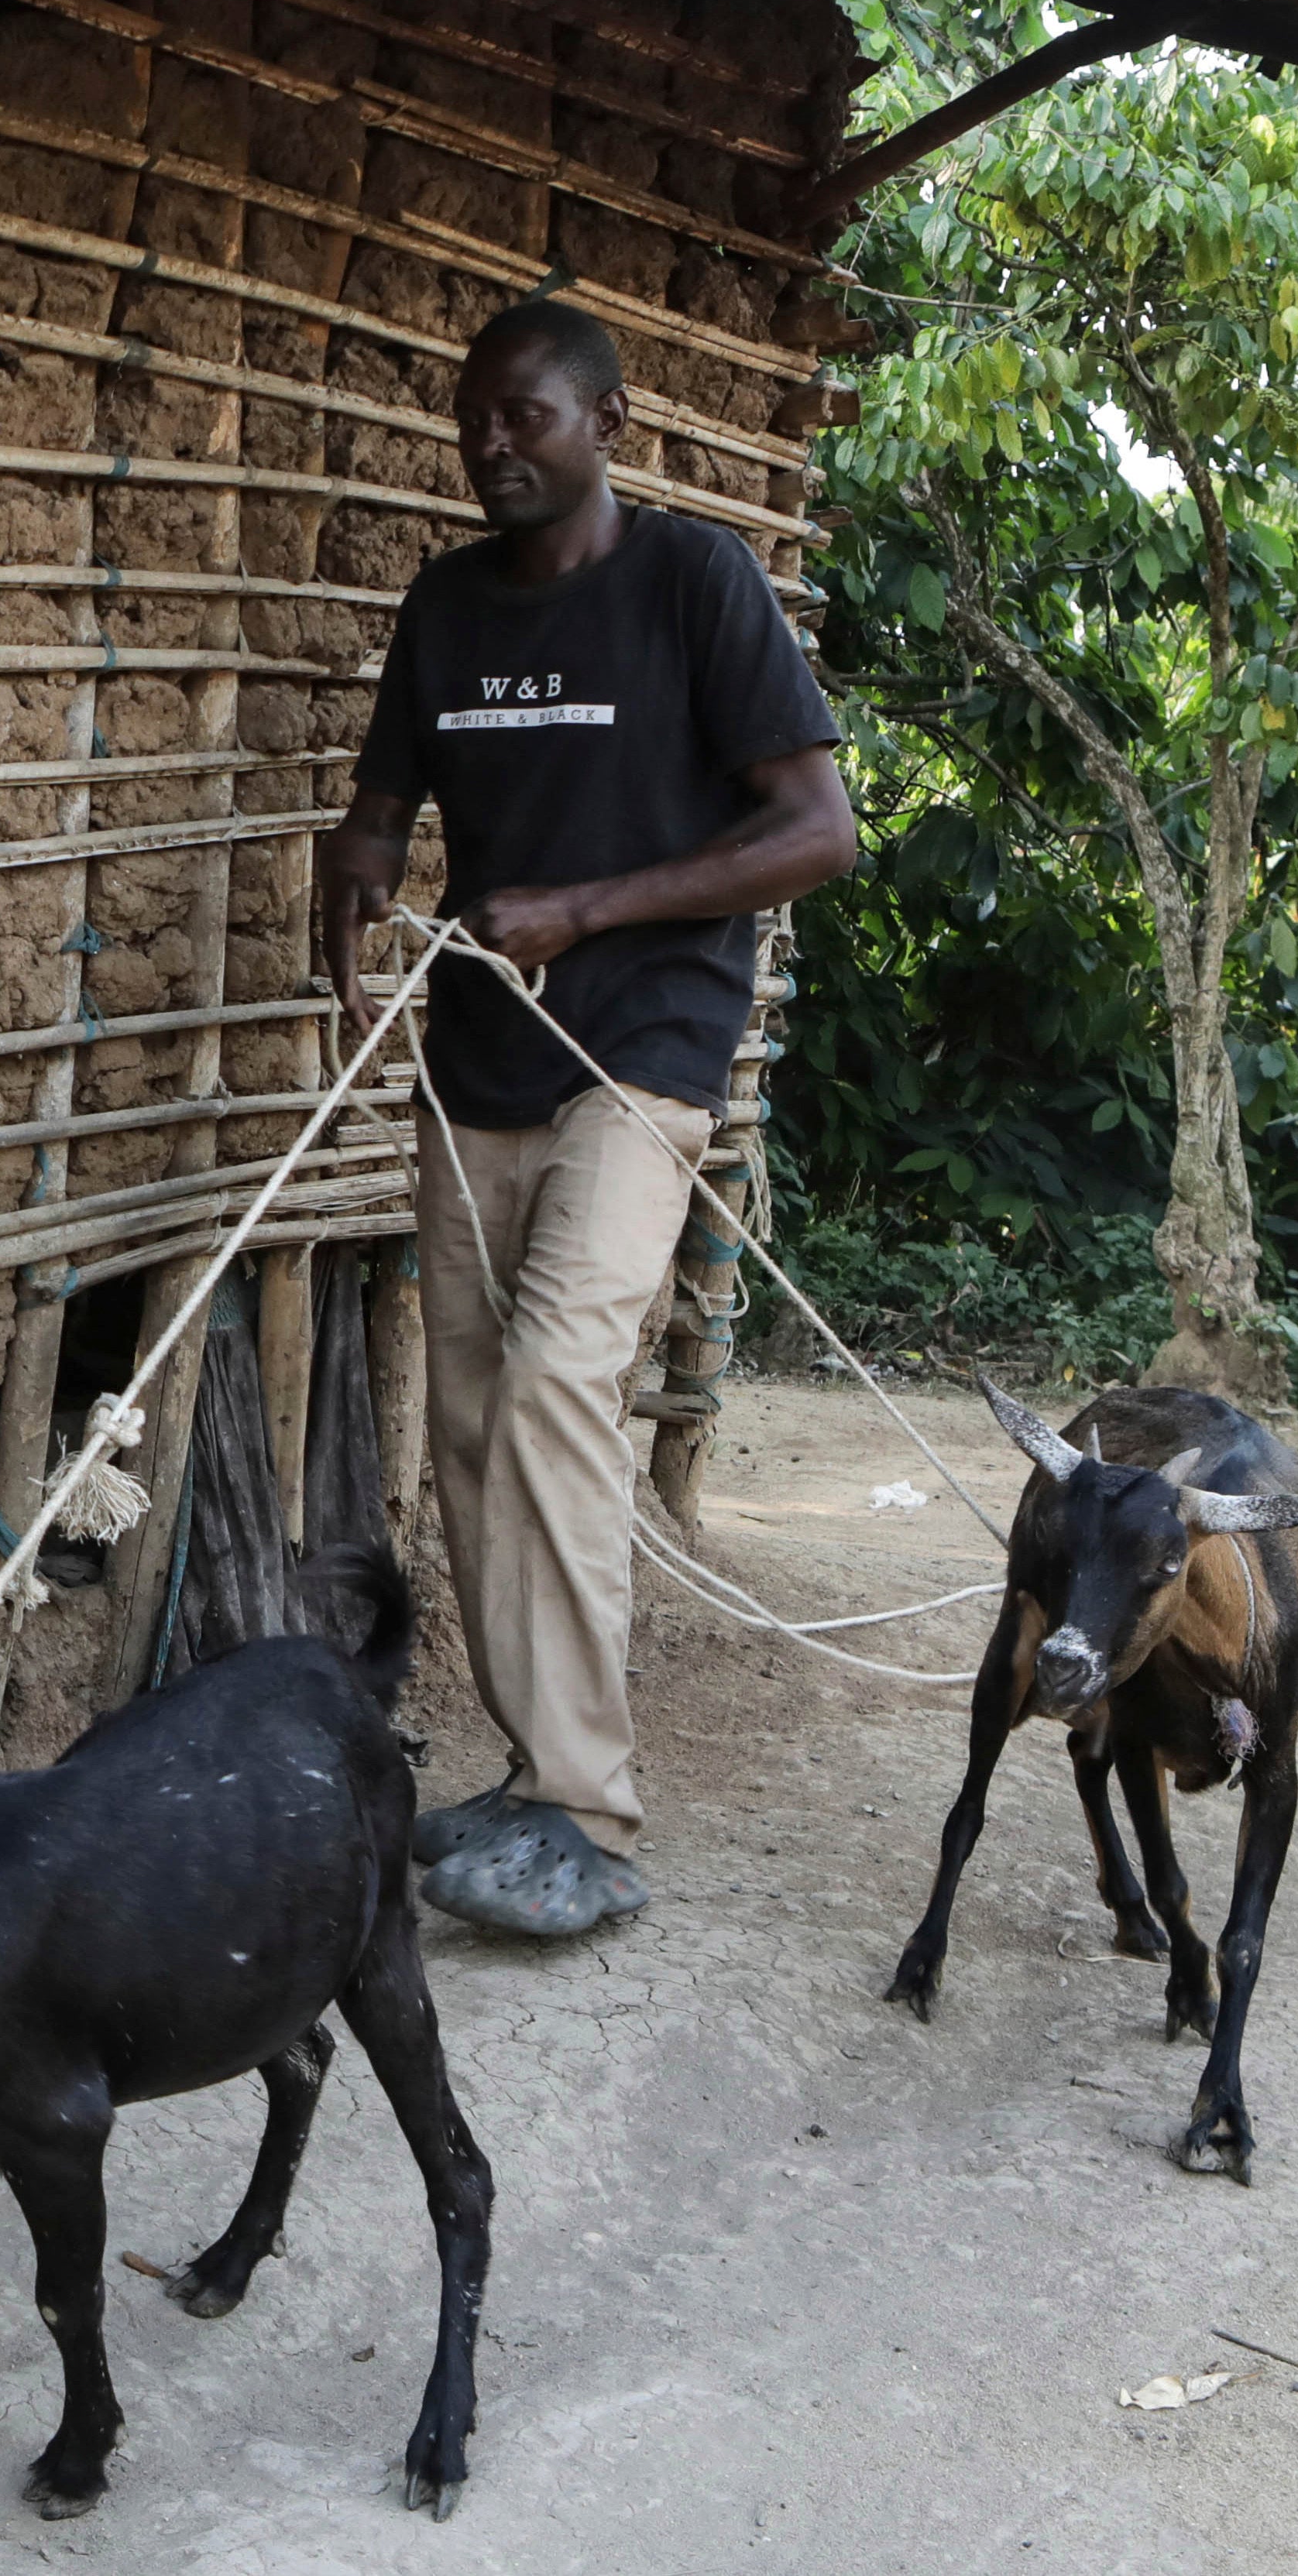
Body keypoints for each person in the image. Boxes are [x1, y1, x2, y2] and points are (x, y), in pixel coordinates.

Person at [317, 297, 857, 1938]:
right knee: (472, 1420)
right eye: (470, 419)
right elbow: (382, 803)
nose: (490, 443)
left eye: (524, 415)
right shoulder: (445, 605)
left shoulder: (693, 583)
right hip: (474, 1057)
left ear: (607, 421)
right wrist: (352, 876)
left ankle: (585, 1804)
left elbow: (817, 831)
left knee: (557, 1381)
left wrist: (588, 907)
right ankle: (529, 1766)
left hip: (638, 1052)